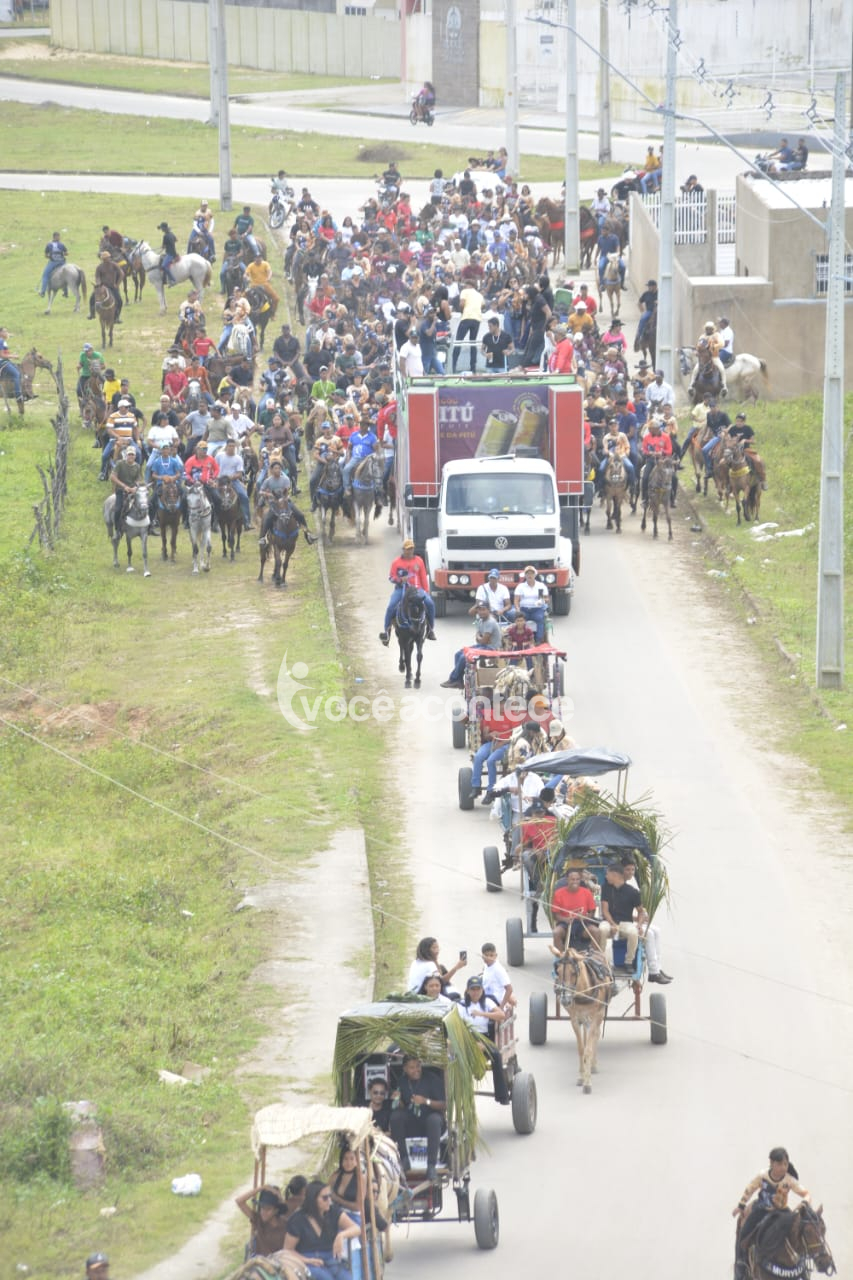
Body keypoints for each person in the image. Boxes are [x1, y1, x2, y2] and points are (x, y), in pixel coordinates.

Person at [733, 1148, 810, 1280]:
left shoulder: (789, 1180)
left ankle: (802, 1268)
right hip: (761, 1209)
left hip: (782, 1212)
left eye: (785, 1164)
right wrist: (741, 1205)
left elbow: (806, 1194)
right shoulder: (762, 1176)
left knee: (796, 1231)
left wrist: (804, 1203)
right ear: (771, 1163)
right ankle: (741, 1265)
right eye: (779, 1164)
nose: (783, 1167)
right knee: (744, 1234)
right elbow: (750, 1189)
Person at [283, 1179, 360, 1280]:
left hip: (331, 1258)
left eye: (330, 1196)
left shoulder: (333, 1212)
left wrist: (341, 1235)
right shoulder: (298, 1219)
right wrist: (307, 1260)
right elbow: (288, 1250)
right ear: (313, 1199)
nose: (329, 1201)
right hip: (308, 1260)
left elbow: (356, 1228)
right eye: (325, 1198)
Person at [389, 1055, 446, 1182]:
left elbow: (443, 1104)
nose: (416, 1070)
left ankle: (431, 1166)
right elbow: (403, 1106)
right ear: (405, 1069)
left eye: (418, 1066)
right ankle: (404, 1159)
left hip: (431, 1121)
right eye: (412, 1068)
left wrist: (426, 1101)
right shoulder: (402, 1081)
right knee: (396, 1117)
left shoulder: (431, 1079)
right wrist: (398, 1100)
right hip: (413, 1121)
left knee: (434, 1120)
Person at [619, 857, 672, 983]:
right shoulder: (616, 888)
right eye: (627, 870)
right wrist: (637, 921)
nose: (630, 873)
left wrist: (639, 919)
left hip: (627, 922)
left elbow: (630, 911)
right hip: (619, 924)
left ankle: (657, 968)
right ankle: (653, 971)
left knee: (656, 930)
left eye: (632, 870)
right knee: (648, 934)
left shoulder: (628, 888)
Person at [460, 976, 510, 1103]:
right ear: (467, 991)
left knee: (496, 1055)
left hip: (484, 1037)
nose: (475, 992)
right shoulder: (461, 1005)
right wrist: (472, 1043)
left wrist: (482, 1014)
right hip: (467, 1038)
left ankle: (501, 1095)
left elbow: (501, 1015)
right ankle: (462, 1093)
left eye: (478, 989)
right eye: (473, 989)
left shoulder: (487, 1002)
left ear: (482, 990)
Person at [380, 540, 436, 641]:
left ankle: (430, 630)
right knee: (391, 606)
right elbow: (391, 577)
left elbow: (423, 577)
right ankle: (386, 632)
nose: (410, 551)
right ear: (403, 550)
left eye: (411, 549)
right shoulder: (396, 562)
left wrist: (426, 591)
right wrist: (400, 580)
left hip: (417, 589)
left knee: (430, 604)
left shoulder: (419, 561)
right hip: (401, 589)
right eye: (408, 549)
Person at [440, 602, 502, 688]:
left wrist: (479, 637)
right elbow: (479, 637)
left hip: (490, 648)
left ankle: (453, 679)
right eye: (479, 610)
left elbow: (483, 641)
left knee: (464, 657)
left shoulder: (490, 622)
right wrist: (479, 637)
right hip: (483, 646)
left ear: (489, 610)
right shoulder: (480, 620)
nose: (481, 612)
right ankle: (458, 680)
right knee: (458, 654)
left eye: (484, 610)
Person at [599, 861, 642, 973]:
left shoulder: (633, 892)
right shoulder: (606, 888)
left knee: (633, 932)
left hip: (625, 923)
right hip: (609, 922)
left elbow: (640, 911)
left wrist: (639, 925)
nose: (606, 876)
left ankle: (628, 962)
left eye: (607, 874)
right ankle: (601, 960)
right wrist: (613, 925)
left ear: (614, 875)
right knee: (602, 929)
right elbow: (605, 910)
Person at [551, 868, 599, 953]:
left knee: (596, 931)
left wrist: (586, 917)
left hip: (582, 923)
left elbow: (592, 911)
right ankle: (561, 957)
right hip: (565, 924)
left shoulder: (586, 892)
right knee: (556, 932)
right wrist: (565, 919)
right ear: (567, 880)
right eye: (572, 879)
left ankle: (593, 956)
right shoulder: (558, 893)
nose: (575, 882)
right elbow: (555, 915)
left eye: (577, 879)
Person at [235, 1184, 289, 1258]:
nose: (264, 1212)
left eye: (268, 1209)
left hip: (279, 1261)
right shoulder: (258, 1219)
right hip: (260, 1261)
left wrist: (279, 1197)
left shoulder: (286, 1224)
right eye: (262, 1208)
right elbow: (239, 1201)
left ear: (276, 1210)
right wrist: (262, 1188)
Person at [216, 437, 253, 530]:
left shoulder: (238, 458)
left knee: (244, 496)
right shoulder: (219, 456)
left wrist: (230, 477)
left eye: (233, 446)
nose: (231, 448)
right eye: (229, 446)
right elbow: (214, 468)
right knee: (213, 496)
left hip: (233, 481)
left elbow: (239, 473)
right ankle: (214, 521)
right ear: (226, 447)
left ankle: (247, 521)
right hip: (220, 480)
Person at [341, 414, 378, 494]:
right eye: (361, 424)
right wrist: (348, 458)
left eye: (364, 424)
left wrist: (373, 458)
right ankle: (347, 488)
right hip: (355, 458)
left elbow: (376, 451)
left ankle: (377, 491)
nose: (362, 426)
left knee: (376, 471)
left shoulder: (372, 437)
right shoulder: (353, 435)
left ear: (368, 426)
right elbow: (349, 448)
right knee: (346, 469)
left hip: (367, 459)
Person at [111, 444, 143, 535]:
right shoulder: (120, 464)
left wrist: (135, 487)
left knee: (144, 504)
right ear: (126, 455)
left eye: (132, 455)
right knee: (118, 509)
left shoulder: (137, 466)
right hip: (121, 490)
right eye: (129, 454)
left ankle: (146, 526)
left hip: (133, 491)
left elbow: (139, 479)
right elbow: (113, 477)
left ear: (135, 456)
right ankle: (117, 529)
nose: (131, 456)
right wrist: (124, 486)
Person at [452, 282, 484, 373]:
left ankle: (453, 366)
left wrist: (462, 311)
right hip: (477, 319)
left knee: (458, 341)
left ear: (469, 285)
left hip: (467, 317)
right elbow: (483, 306)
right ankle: (473, 368)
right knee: (473, 343)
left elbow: (462, 304)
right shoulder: (479, 295)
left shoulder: (465, 291)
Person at [640, 416, 673, 500]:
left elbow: (669, 450)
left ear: (657, 428)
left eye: (651, 429)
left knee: (673, 477)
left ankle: (672, 498)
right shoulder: (646, 437)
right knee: (645, 477)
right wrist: (649, 453)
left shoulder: (666, 437)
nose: (649, 430)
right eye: (649, 429)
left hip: (663, 460)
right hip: (651, 460)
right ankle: (644, 497)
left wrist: (662, 452)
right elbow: (644, 449)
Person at [513, 565, 549, 642]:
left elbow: (547, 599)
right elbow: (516, 600)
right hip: (524, 609)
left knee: (540, 618)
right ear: (525, 575)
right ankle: (522, 640)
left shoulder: (541, 586)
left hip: (537, 609)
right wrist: (518, 610)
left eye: (531, 573)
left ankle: (539, 640)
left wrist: (542, 601)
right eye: (528, 573)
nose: (529, 575)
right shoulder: (520, 586)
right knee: (520, 621)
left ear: (535, 575)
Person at [480, 943, 514, 1007]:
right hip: (485, 999)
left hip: (496, 1001)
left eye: (491, 955)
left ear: (496, 955)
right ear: (482, 957)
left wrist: (501, 1006)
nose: (489, 958)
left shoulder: (498, 970)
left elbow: (509, 989)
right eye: (486, 955)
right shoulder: (486, 966)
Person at [0, 326, 24, 408]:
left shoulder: (3, 341)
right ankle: (18, 395)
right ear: (0, 333)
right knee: (16, 374)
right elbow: (2, 355)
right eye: (5, 331)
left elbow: (5, 354)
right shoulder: (1, 341)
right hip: (2, 362)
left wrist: (12, 355)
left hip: (4, 361)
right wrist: (13, 356)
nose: (7, 333)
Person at [39, 231, 67, 297]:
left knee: (45, 275)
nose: (59, 238)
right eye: (59, 236)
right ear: (56, 237)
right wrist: (62, 254)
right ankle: (66, 292)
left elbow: (46, 255)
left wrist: (50, 256)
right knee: (65, 275)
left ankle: (42, 292)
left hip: (53, 262)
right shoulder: (61, 244)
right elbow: (66, 253)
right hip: (62, 262)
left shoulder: (49, 244)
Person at [636, 279, 658, 344]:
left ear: (655, 286)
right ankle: (639, 336)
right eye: (648, 286)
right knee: (643, 318)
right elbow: (639, 303)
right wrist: (642, 311)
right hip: (649, 311)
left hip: (660, 312)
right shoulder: (646, 294)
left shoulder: (660, 293)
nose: (648, 287)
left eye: (650, 286)